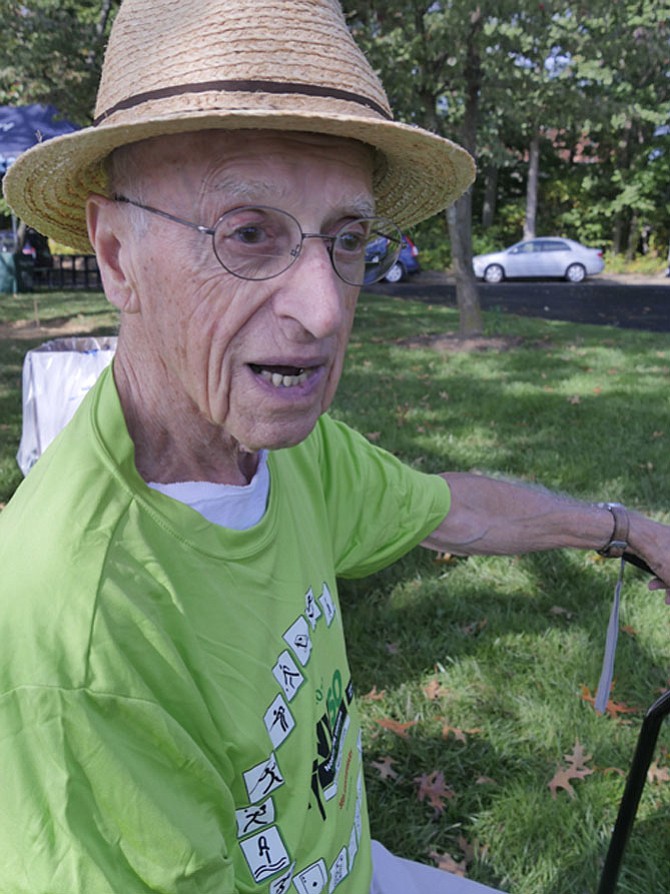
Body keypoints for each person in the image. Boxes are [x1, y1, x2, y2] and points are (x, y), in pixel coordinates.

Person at [2, 1, 669, 892]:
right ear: (117, 255)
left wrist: (625, 529)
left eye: (346, 239)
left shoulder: (280, 449)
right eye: (247, 232)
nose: (323, 311)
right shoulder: (81, 639)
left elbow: (455, 508)